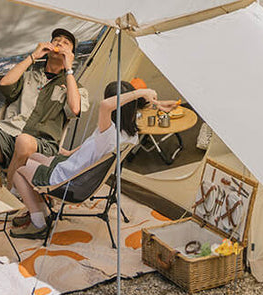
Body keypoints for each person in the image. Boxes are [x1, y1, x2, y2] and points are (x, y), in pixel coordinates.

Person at [9, 80, 159, 240]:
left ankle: (39, 223)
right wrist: (68, 153)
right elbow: (93, 146)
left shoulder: (108, 130)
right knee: (33, 156)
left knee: (19, 170)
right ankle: (39, 208)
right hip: (74, 170)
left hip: (67, 181)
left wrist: (141, 92)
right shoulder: (130, 134)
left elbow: (105, 105)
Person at [0, 28, 89, 189]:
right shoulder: (28, 76)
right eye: (56, 40)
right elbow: (5, 83)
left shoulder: (73, 87)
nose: (59, 43)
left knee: (24, 141)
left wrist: (69, 69)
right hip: (9, 135)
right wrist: (33, 56)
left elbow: (75, 109)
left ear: (71, 54)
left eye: (66, 43)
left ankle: (11, 196)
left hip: (40, 144)